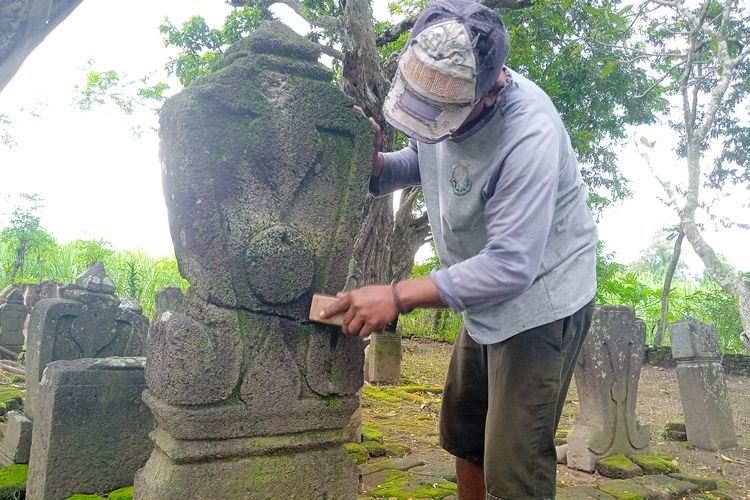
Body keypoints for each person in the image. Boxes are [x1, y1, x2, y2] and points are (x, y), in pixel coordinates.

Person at [320, 0, 598, 497]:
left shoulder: (527, 134)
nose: (437, 128)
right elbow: (426, 157)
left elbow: (512, 266)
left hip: (539, 298)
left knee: (514, 465)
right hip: (480, 288)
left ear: (490, 93)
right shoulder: (445, 87)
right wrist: (378, 166)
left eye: (447, 119)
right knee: (465, 434)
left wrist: (397, 296)